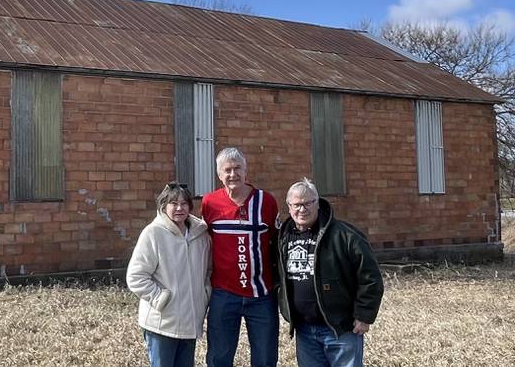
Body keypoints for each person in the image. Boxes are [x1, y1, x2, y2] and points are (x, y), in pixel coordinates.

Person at [277, 178, 384, 367]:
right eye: (297, 205)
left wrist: (364, 315)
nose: (302, 209)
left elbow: (370, 277)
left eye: (308, 203)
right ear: (288, 206)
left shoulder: (344, 235)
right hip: (304, 330)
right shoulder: (283, 237)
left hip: (341, 329)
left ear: (318, 203)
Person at [202, 147, 280, 367]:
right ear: (219, 175)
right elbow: (202, 241)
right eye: (227, 170)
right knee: (219, 357)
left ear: (246, 172)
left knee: (265, 359)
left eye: (238, 168)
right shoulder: (209, 203)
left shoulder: (266, 201)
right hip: (223, 294)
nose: (233, 174)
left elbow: (278, 242)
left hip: (261, 295)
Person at [127, 182, 212, 367]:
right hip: (162, 323)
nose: (179, 208)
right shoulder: (153, 233)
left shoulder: (201, 234)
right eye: (173, 203)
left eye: (184, 203)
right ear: (163, 206)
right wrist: (160, 298)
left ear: (190, 206)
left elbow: (208, 270)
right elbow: (136, 276)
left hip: (190, 323)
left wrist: (205, 293)